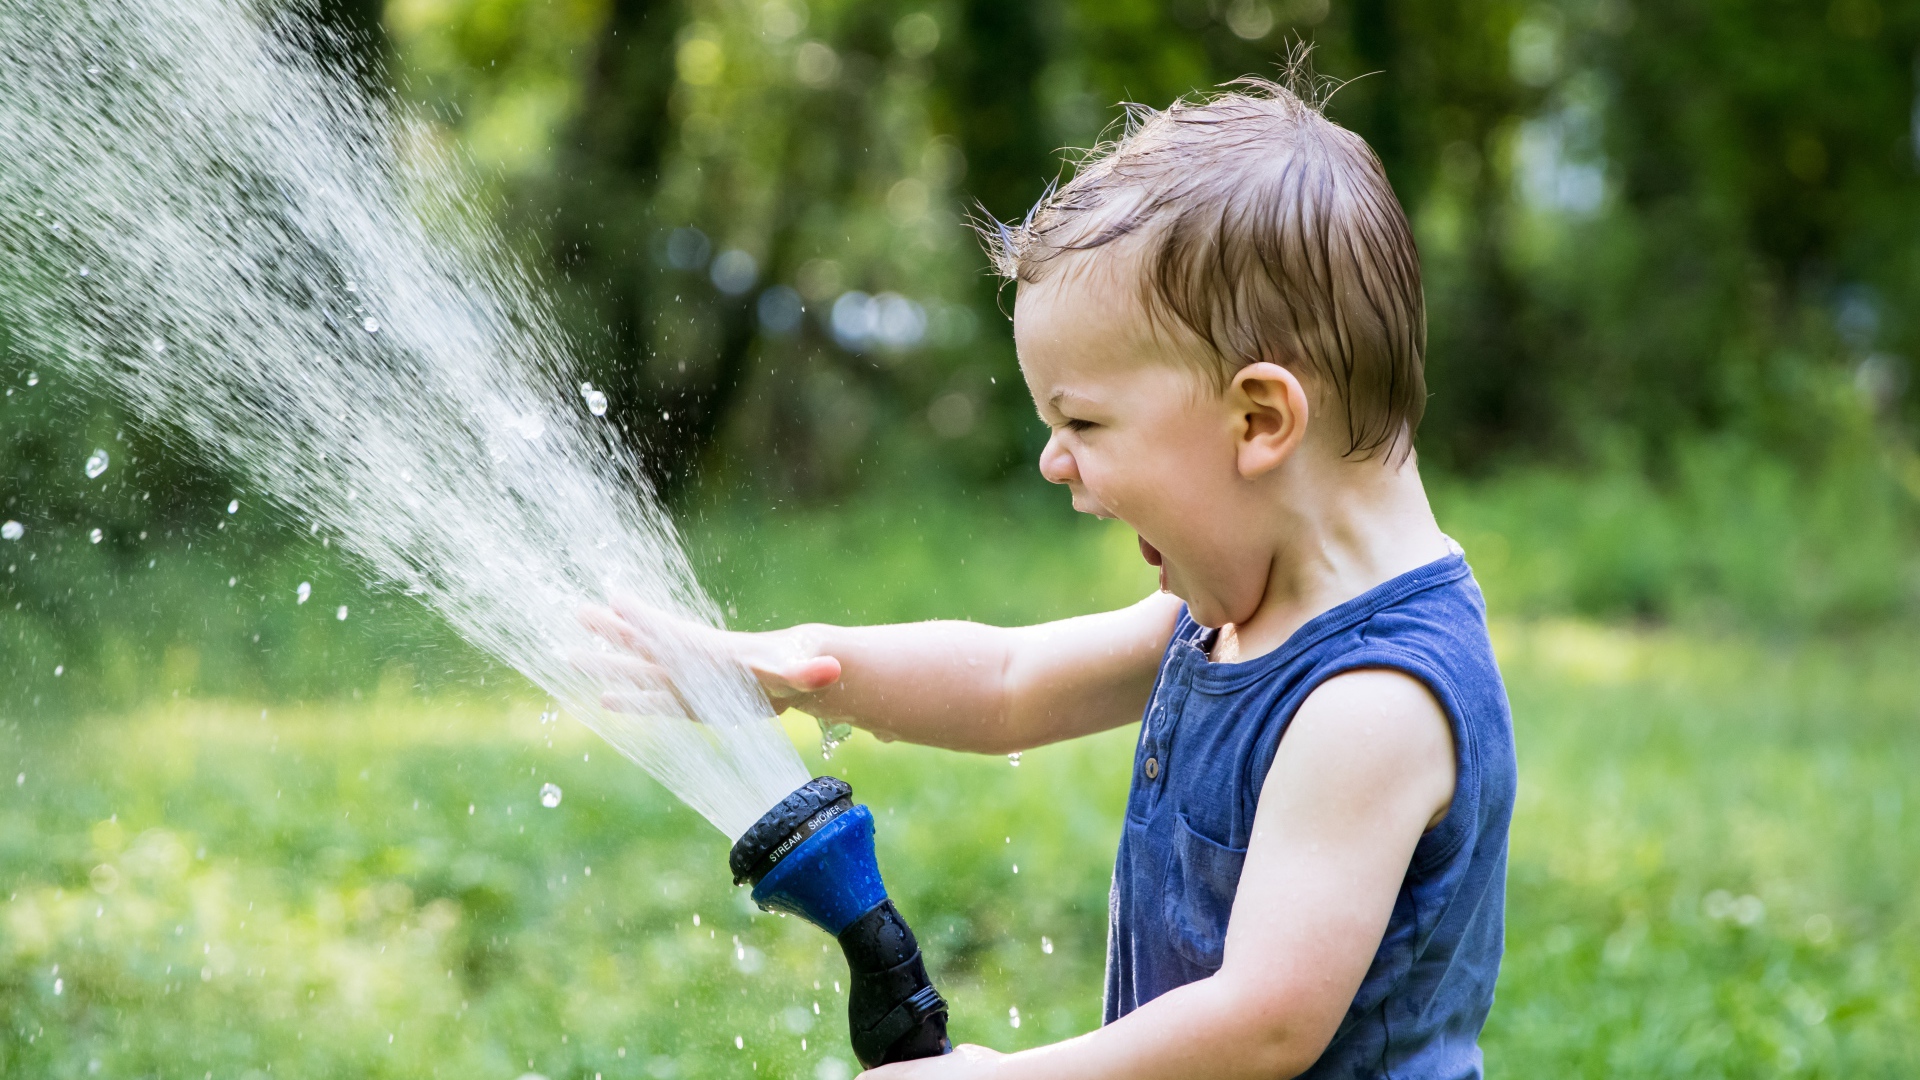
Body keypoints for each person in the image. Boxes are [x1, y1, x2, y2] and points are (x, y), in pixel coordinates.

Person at [583, 75, 1514, 1080]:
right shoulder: (1233, 620)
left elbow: (1265, 1023)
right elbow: (1008, 682)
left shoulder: (1371, 701)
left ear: (1259, 420)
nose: (1052, 460)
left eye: (1083, 421)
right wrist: (800, 667)